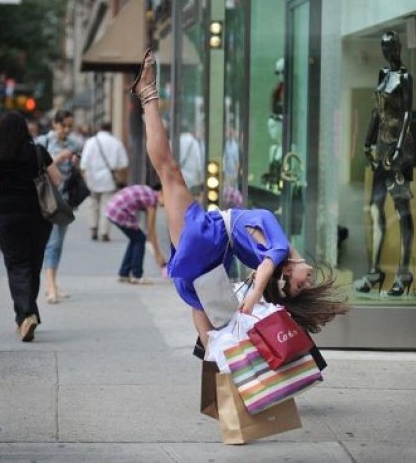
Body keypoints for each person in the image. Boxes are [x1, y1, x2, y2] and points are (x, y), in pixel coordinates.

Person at [130, 49, 347, 346]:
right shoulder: (278, 247)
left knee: (168, 170)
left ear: (286, 278)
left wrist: (254, 297)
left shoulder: (279, 250)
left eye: (300, 286)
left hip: (210, 235)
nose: (307, 280)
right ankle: (217, 361)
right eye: (307, 282)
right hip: (210, 256)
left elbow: (268, 266)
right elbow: (268, 263)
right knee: (200, 308)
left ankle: (148, 95)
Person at [0, 112, 61, 342]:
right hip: (38, 216)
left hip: (8, 217)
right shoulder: (37, 152)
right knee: (33, 265)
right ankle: (25, 316)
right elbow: (57, 179)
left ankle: (26, 314)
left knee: (16, 267)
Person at [354, 31, 415, 297]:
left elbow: (407, 114)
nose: (386, 51)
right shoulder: (382, 75)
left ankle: (403, 272)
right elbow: (376, 112)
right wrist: (367, 141)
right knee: (375, 207)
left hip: (399, 149)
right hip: (381, 148)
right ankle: (374, 270)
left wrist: (399, 148)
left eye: (390, 46)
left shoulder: (405, 78)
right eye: (383, 46)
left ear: (398, 47)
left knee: (401, 209)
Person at [35, 109, 81, 303]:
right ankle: (51, 285)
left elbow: (75, 172)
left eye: (70, 126)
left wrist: (76, 163)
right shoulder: (43, 142)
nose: (67, 130)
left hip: (65, 200)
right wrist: (60, 157)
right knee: (52, 242)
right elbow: (37, 166)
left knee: (58, 242)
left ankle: (51, 282)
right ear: (55, 124)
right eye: (64, 126)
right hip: (47, 199)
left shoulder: (74, 144)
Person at [106, 184, 166, 285]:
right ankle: (137, 275)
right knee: (140, 239)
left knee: (135, 238)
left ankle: (124, 273)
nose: (166, 205)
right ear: (161, 193)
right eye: (167, 200)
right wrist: (158, 255)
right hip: (119, 211)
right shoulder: (151, 200)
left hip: (113, 208)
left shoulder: (149, 192)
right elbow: (151, 231)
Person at [80, 122, 129, 242]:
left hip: (92, 179)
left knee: (92, 205)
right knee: (106, 206)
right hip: (109, 179)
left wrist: (84, 177)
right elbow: (124, 163)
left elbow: (83, 163)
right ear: (110, 129)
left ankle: (93, 228)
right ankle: (104, 232)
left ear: (99, 128)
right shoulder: (116, 142)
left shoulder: (90, 142)